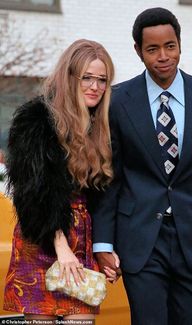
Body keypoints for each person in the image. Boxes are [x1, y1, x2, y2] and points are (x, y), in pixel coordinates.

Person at [92, 7, 192, 325]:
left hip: (191, 237)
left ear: (180, 45)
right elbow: (110, 178)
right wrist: (102, 242)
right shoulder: (118, 100)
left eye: (170, 46)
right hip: (139, 239)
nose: (163, 56)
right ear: (138, 51)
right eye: (152, 49)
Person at [3, 39, 119, 323]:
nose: (95, 86)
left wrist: (108, 246)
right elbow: (32, 191)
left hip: (82, 239)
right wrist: (60, 245)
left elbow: (107, 195)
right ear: (70, 78)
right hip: (43, 234)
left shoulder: (102, 127)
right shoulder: (38, 120)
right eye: (87, 78)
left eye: (102, 80)